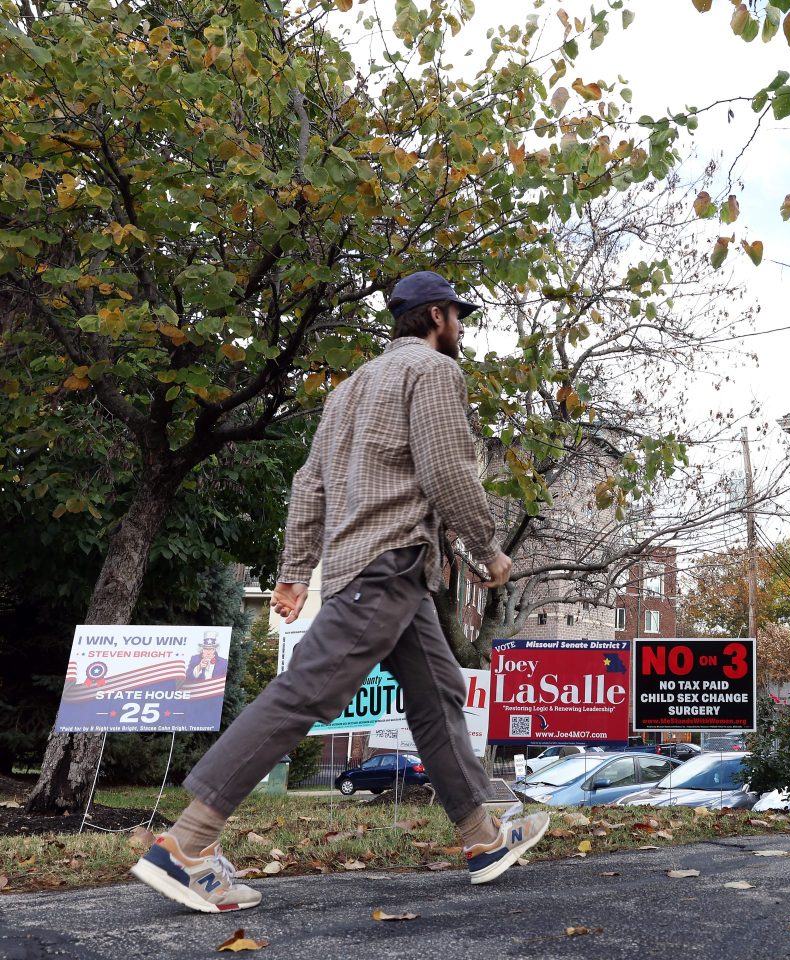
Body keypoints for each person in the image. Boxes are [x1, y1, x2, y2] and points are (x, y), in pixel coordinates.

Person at [131, 271, 548, 914]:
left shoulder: (350, 388)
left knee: (438, 692)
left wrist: (296, 571)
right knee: (306, 689)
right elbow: (444, 468)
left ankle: (481, 835)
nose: (462, 329)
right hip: (390, 562)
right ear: (437, 316)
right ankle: (186, 843)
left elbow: (309, 484)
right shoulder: (433, 371)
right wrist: (487, 548)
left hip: (382, 570)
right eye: (458, 316)